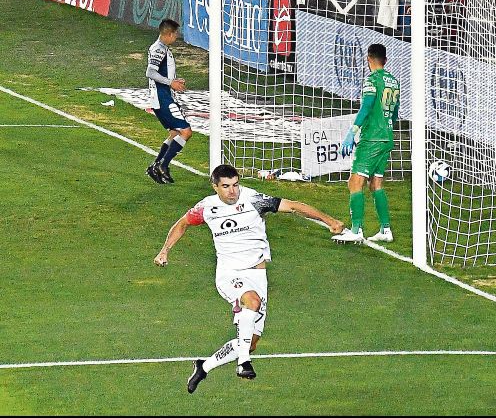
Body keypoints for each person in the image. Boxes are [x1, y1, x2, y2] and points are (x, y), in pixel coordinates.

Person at [154, 164, 344, 393]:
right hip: (229, 273)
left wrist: (329, 220)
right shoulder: (206, 207)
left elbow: (293, 206)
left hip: (257, 274)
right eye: (225, 187)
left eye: (235, 185)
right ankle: (243, 363)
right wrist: (165, 250)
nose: (232, 191)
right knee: (251, 302)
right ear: (215, 187)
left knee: (251, 342)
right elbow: (183, 223)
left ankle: (203, 366)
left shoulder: (254, 200)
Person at [332, 44, 400, 244]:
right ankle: (385, 229)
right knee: (376, 183)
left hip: (371, 138)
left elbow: (367, 106)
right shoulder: (393, 81)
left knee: (355, 182)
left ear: (368, 59)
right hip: (387, 136)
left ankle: (356, 230)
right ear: (385, 60)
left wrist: (353, 132)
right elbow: (395, 112)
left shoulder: (372, 80)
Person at [145, 19, 189, 184]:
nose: (177, 37)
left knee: (174, 133)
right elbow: (150, 72)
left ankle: (155, 166)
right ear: (169, 34)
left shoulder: (161, 48)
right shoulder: (159, 50)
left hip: (163, 97)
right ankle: (164, 165)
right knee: (186, 132)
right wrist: (171, 83)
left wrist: (174, 80)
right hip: (163, 99)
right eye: (176, 33)